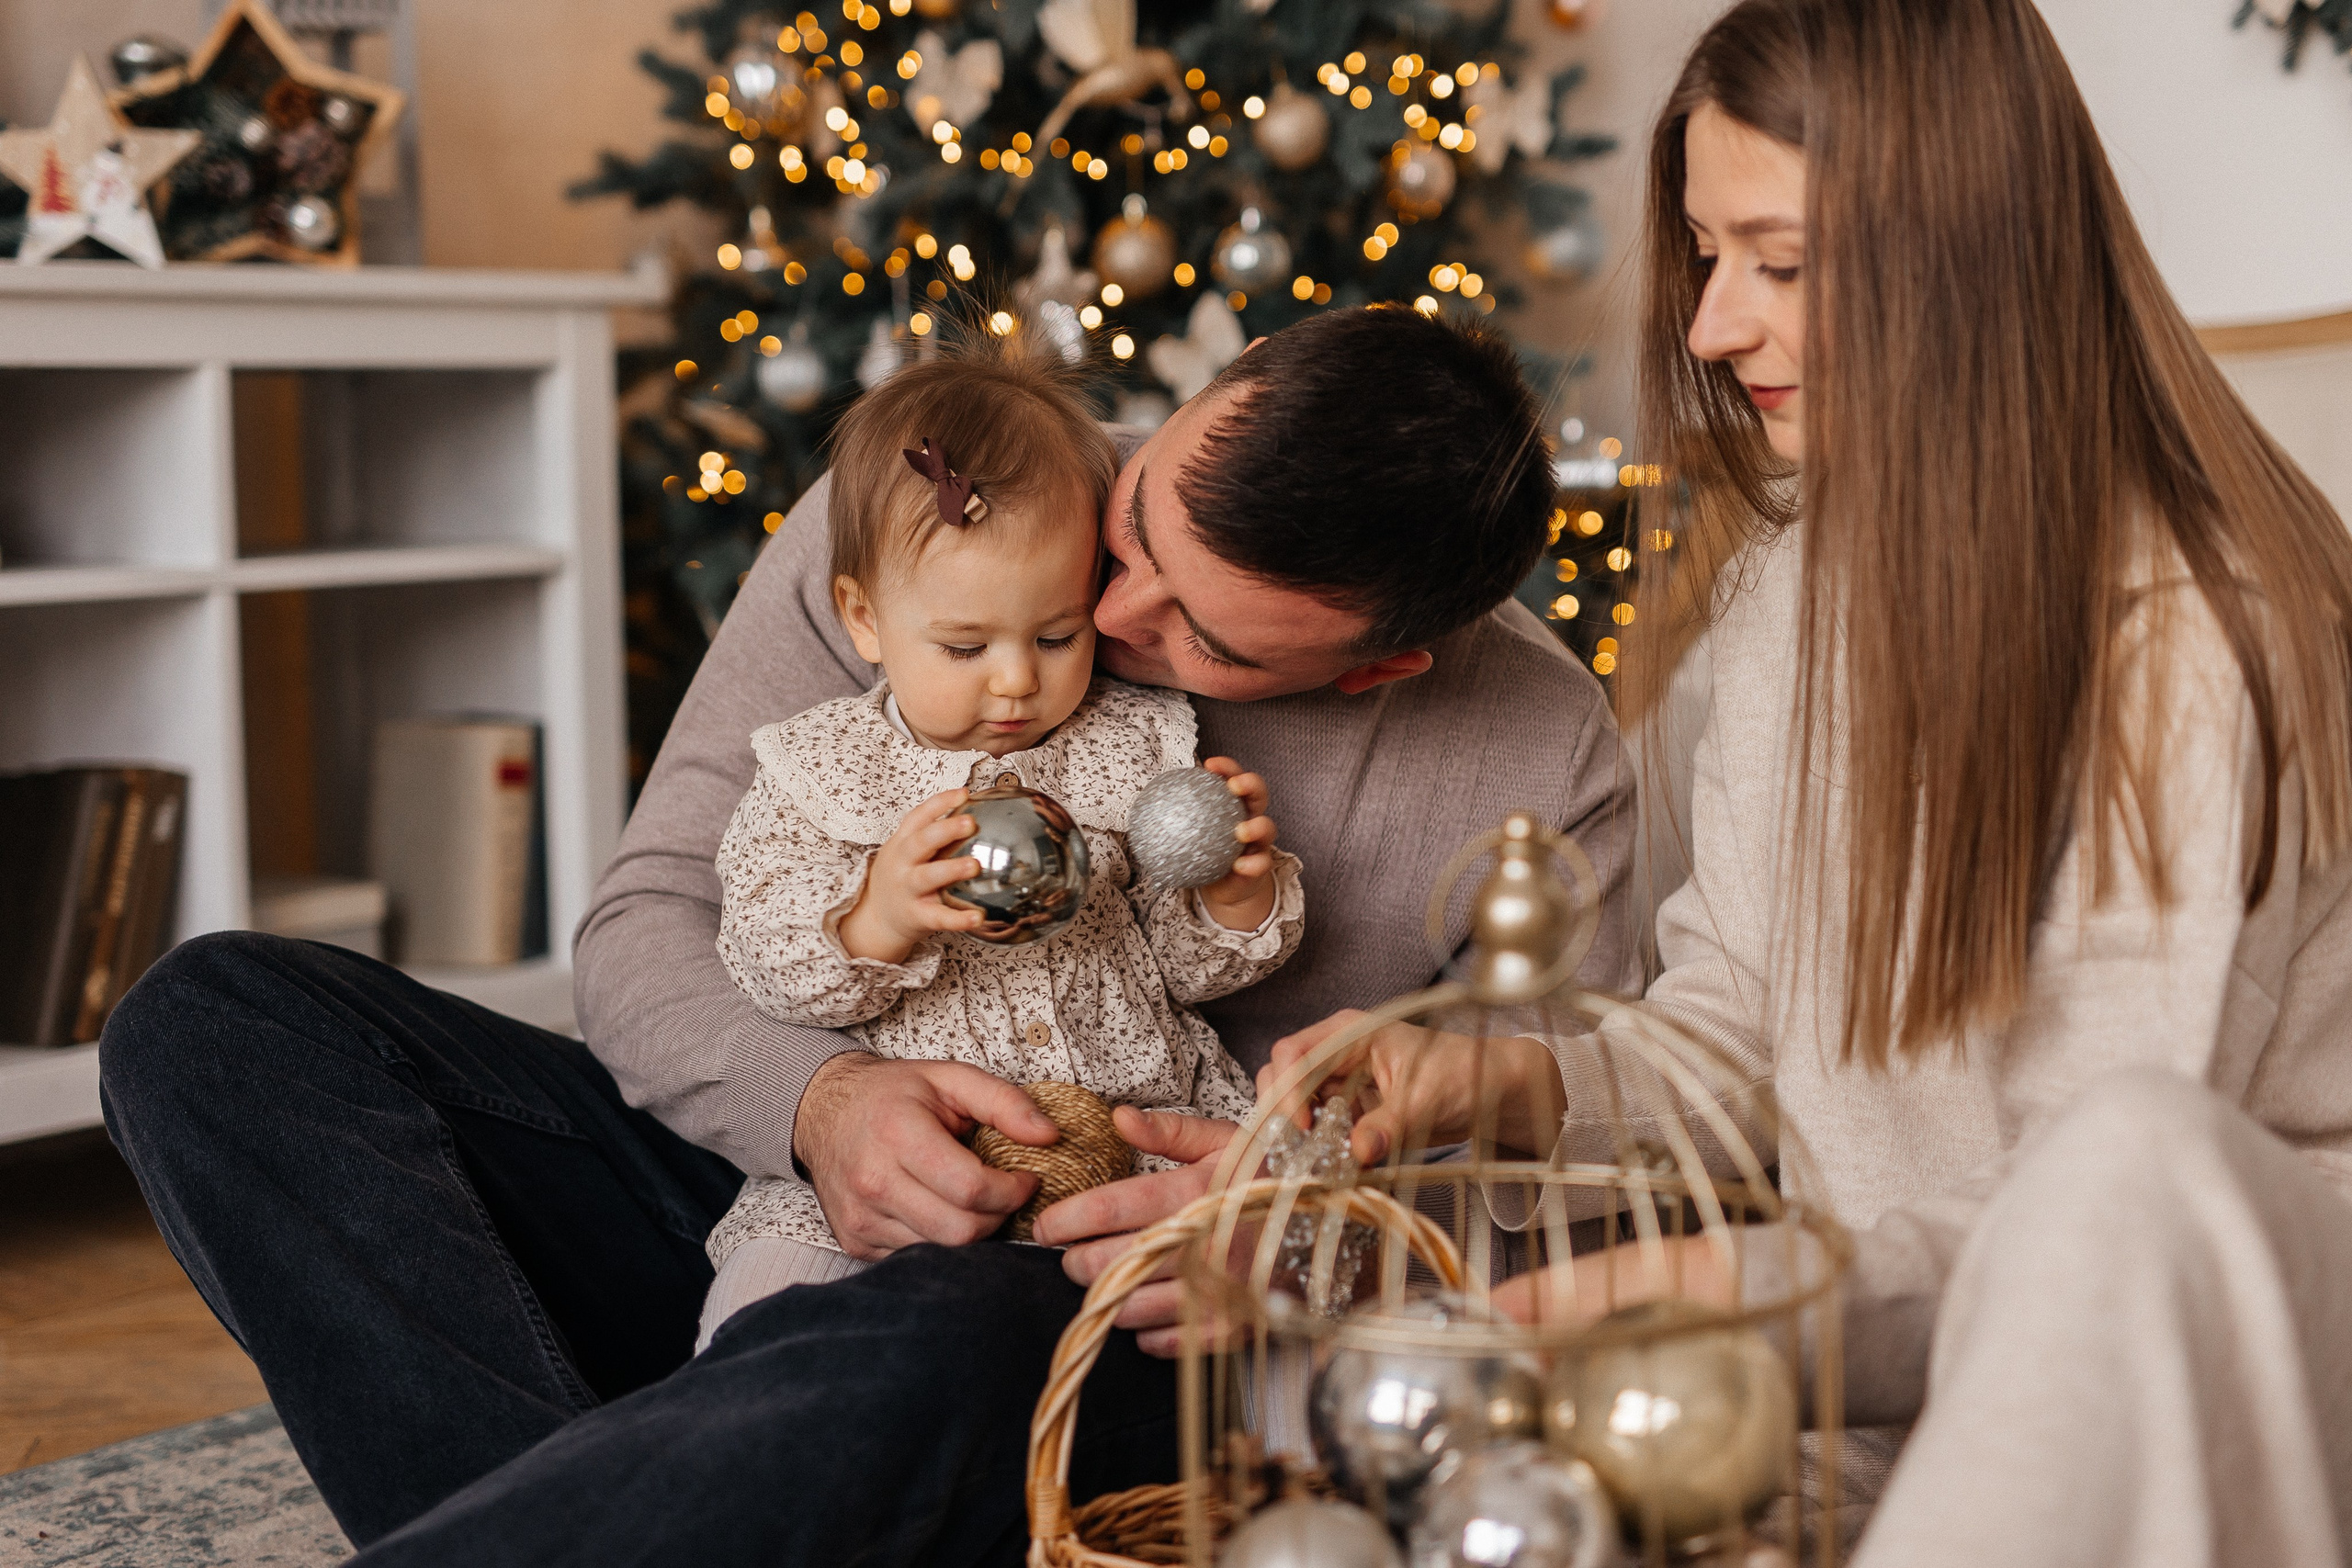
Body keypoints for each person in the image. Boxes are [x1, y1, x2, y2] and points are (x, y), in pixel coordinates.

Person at [97, 304, 1639, 1562]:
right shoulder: (950, 495)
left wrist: (1292, 1254)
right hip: (781, 1196)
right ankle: (689, 1489)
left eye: (1206, 635)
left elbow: (1568, 1191)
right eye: (1144, 519)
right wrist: (815, 1103)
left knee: (936, 1331)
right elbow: (651, 926)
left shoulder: (1546, 761)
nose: (1109, 622)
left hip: (1102, 1302)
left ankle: (695, 1480)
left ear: (1382, 671)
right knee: (215, 1022)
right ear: (1207, 396)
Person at [1271, 2, 2352, 1562]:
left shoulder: (2200, 637)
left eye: (1779, 263)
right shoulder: (1795, 591)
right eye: (1710, 256)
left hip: (2203, 1386)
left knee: (2121, 1167)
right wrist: (1520, 1083)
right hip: (1870, 1380)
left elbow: (2091, 1238)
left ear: (1965, 262)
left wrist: (1734, 1297)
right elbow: (1740, 1025)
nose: (1711, 326)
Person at [698, 338, 1300, 1346]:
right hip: (901, 1178)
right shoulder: (821, 769)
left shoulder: (1130, 752)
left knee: (1259, 1321)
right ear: (864, 618)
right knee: (770, 1311)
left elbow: (1180, 966)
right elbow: (760, 955)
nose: (1016, 681)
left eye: (1056, 636)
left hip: (1123, 1147)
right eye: (966, 648)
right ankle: (705, 1450)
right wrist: (874, 917)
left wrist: (1229, 895)